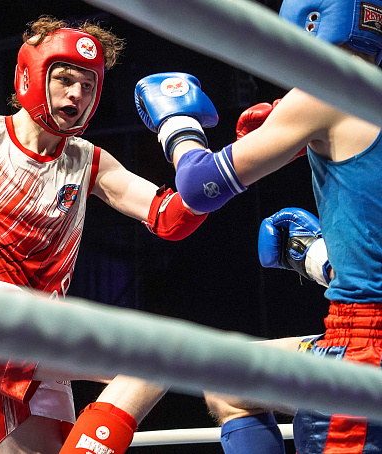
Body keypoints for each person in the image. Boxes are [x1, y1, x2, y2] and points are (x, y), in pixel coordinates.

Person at [0, 16, 208, 454]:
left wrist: (187, 137)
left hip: (42, 327)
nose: (77, 94)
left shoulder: (88, 160)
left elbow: (171, 218)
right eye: (65, 79)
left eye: (88, 85)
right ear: (30, 75)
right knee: (155, 358)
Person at [134, 0, 382, 452]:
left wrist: (177, 125)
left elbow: (199, 186)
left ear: (308, 24)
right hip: (364, 335)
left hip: (363, 350)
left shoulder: (326, 92)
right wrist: (319, 258)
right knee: (228, 380)